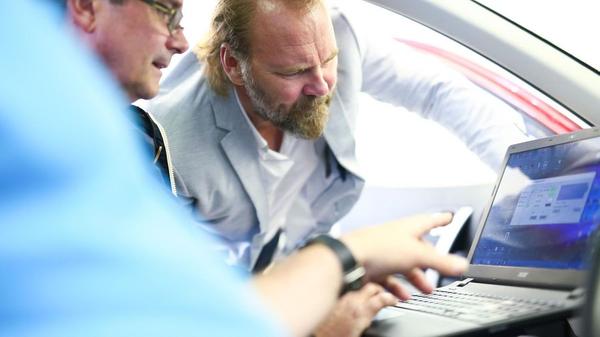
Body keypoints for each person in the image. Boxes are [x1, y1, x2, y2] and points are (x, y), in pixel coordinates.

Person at [2, 0, 466, 336]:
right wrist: (341, 265)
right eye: (167, 11)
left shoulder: (126, 137)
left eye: (328, 63)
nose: (182, 41)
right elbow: (178, 318)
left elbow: (437, 90)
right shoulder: (147, 143)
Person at [146, 0, 527, 272]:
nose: (323, 85)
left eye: (328, 61)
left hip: (319, 258)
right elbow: (195, 295)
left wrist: (526, 176)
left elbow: (437, 92)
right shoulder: (170, 145)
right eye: (293, 72)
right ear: (233, 64)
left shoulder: (339, 34)